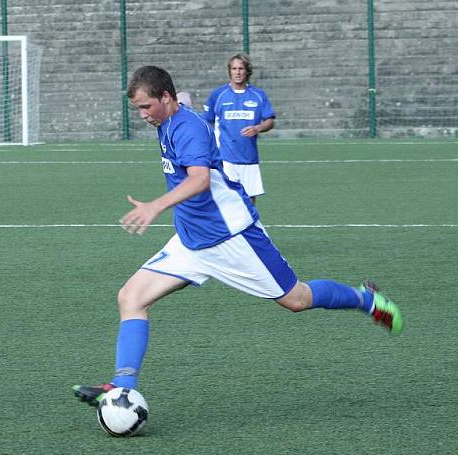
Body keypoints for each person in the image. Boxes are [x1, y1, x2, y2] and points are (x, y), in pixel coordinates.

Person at [72, 65, 402, 407]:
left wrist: (155, 206)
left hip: (231, 237)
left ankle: (366, 300)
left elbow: (199, 179)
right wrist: (180, 100)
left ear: (165, 98)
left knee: (296, 299)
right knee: (131, 297)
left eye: (146, 107)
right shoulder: (170, 114)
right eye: (138, 108)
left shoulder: (188, 130)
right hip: (191, 241)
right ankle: (122, 386)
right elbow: (183, 102)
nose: (142, 115)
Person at [202, 53, 274, 204]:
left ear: (247, 71)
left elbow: (270, 120)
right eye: (234, 68)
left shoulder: (258, 95)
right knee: (227, 200)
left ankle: (248, 227)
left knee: (249, 201)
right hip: (225, 158)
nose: (237, 72)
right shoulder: (218, 95)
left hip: (249, 158)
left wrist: (258, 128)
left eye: (241, 68)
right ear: (229, 71)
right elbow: (206, 122)